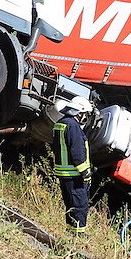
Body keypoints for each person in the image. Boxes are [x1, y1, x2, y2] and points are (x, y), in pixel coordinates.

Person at [51, 96, 94, 234]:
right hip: (74, 175)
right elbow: (77, 154)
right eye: (85, 114)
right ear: (79, 112)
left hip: (64, 174)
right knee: (80, 207)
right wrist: (85, 173)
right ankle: (77, 237)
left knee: (70, 206)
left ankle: (70, 234)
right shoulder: (73, 126)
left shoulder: (60, 123)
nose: (85, 117)